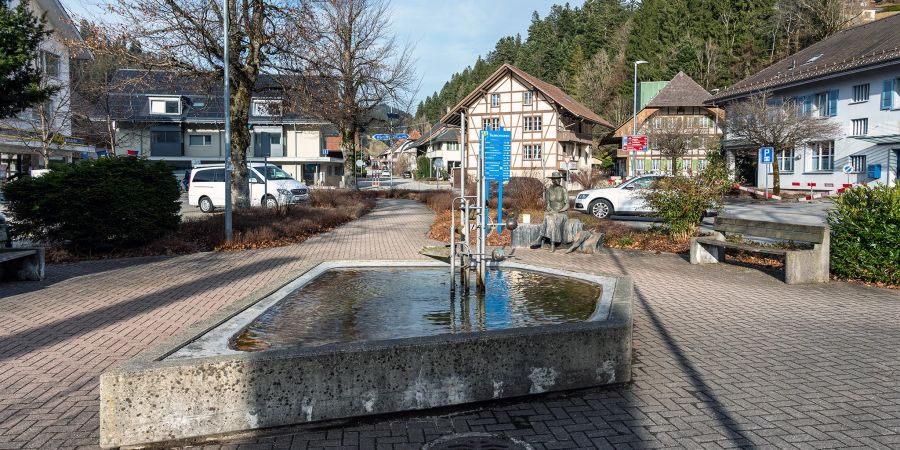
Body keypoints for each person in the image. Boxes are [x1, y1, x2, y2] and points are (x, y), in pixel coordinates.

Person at [530, 171, 569, 252]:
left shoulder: (563, 190)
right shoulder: (549, 190)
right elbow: (548, 204)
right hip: (552, 212)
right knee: (548, 217)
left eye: (559, 179)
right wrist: (550, 209)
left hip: (562, 213)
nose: (558, 180)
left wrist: (559, 211)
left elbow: (567, 205)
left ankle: (541, 239)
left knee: (552, 217)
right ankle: (552, 244)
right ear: (553, 180)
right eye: (556, 179)